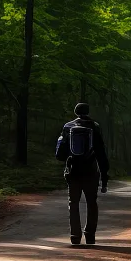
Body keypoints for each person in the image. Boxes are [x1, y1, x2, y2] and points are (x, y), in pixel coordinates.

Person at [55, 102, 109, 246]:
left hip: (73, 171)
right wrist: (104, 178)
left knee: (73, 203)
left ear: (75, 111)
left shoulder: (68, 127)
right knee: (92, 203)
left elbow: (61, 154)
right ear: (88, 111)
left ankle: (75, 236)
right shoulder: (95, 127)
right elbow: (101, 154)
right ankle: (90, 236)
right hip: (91, 171)